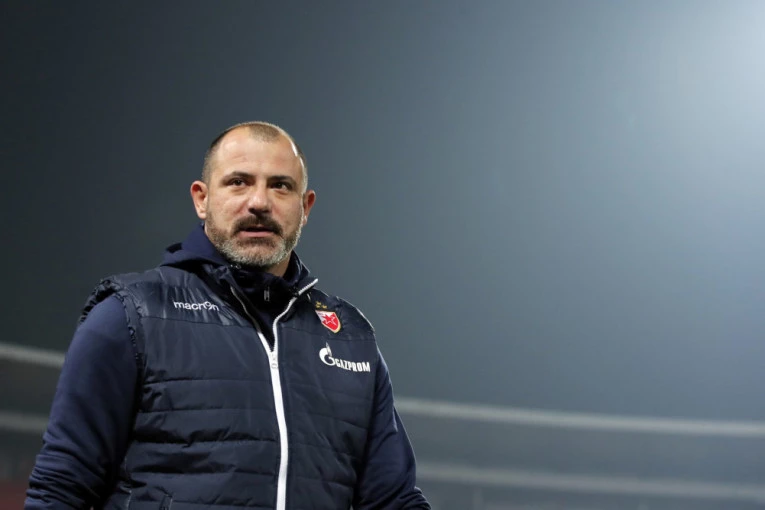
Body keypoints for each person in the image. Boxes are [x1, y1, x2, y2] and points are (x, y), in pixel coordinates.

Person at [25, 121, 430, 510]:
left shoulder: (350, 338)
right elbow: (61, 487)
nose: (259, 202)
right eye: (238, 181)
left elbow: (393, 500)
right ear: (202, 199)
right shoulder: (130, 315)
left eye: (280, 186)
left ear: (305, 206)